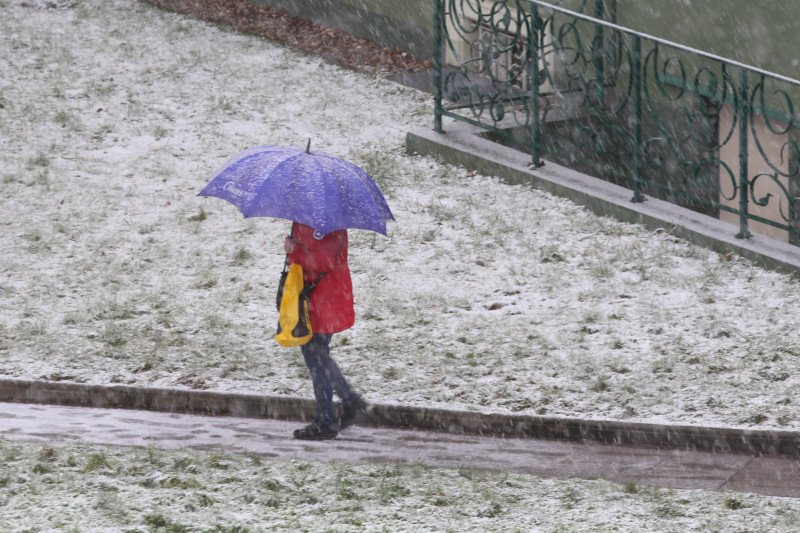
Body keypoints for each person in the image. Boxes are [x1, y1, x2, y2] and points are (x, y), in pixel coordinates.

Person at [283, 221, 368, 440]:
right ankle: (350, 403)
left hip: (323, 300)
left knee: (317, 359)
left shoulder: (324, 222)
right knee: (318, 357)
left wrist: (295, 251)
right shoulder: (310, 218)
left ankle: (326, 420)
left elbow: (324, 260)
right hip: (318, 298)